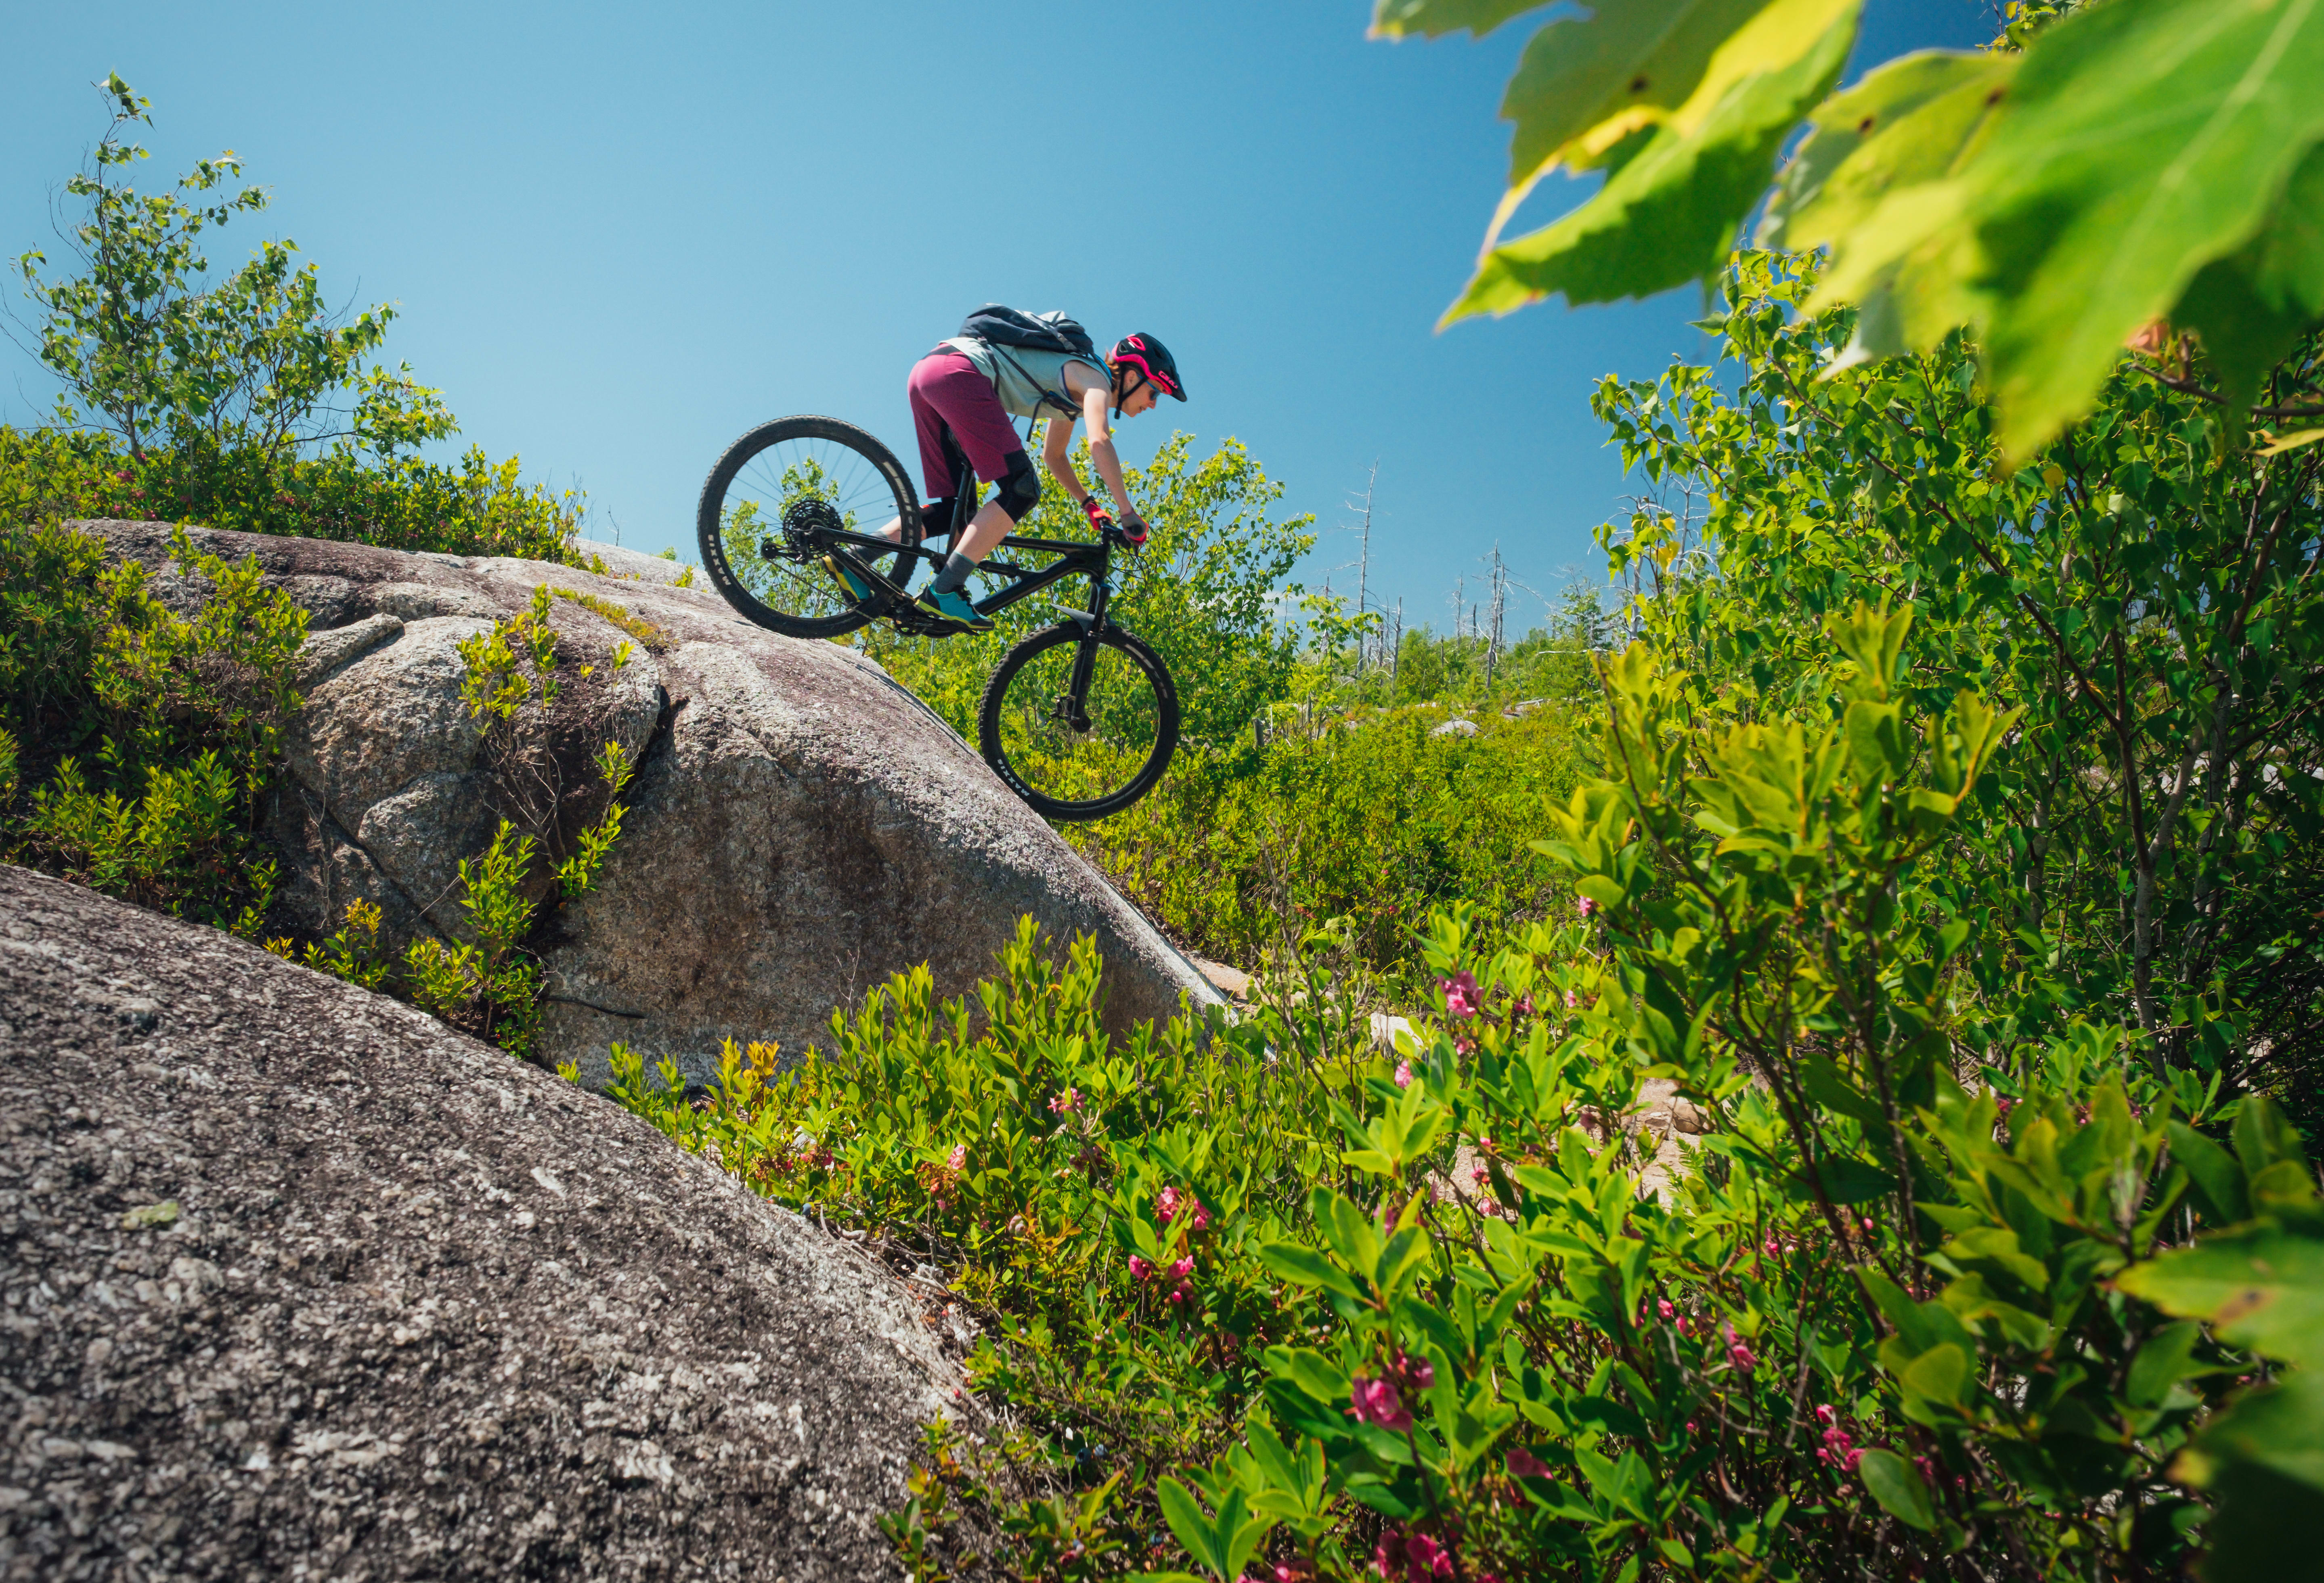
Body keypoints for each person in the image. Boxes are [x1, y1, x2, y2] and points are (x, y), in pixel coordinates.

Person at [828, 327, 1186, 631]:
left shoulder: (1074, 388)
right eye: (1154, 392)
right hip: (960, 376)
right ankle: (945, 590)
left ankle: (855, 557)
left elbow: (1054, 456)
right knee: (1021, 490)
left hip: (930, 372)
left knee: (957, 511)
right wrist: (1128, 514)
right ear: (1133, 375)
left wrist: (1089, 505)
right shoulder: (1094, 380)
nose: (1153, 404)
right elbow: (1099, 441)